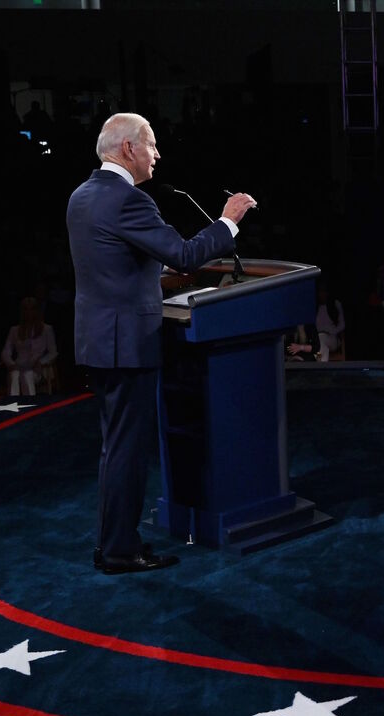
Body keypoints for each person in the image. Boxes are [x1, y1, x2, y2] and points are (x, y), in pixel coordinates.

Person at [67, 112, 256, 574]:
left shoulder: (82, 196)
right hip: (127, 343)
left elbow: (113, 263)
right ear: (128, 148)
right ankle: (119, 551)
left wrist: (155, 271)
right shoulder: (127, 200)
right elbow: (187, 254)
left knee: (116, 448)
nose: (157, 153)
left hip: (99, 340)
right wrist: (228, 222)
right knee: (126, 452)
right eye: (151, 144)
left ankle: (114, 542)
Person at [0, 296, 58, 395]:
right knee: (14, 375)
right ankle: (13, 404)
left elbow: (53, 352)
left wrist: (41, 362)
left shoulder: (46, 329)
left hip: (38, 369)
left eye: (32, 309)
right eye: (26, 309)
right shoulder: (14, 330)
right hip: (19, 366)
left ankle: (30, 404)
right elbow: (6, 352)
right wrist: (11, 364)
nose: (29, 313)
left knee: (27, 375)